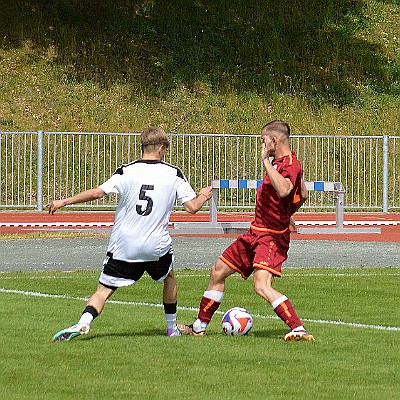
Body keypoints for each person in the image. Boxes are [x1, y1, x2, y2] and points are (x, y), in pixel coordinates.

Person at [49, 127, 213, 341]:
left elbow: (99, 193)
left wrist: (65, 201)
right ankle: (171, 328)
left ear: (143, 146)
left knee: (104, 289)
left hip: (125, 246)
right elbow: (192, 207)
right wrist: (203, 195)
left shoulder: (126, 170)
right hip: (155, 246)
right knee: (169, 277)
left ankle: (83, 323)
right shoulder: (172, 173)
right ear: (162, 148)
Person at [177, 120, 314, 341]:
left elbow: (285, 189)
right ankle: (199, 326)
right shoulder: (281, 162)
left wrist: (265, 162)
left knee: (261, 286)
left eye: (263, 140)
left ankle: (298, 328)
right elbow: (303, 195)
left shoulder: (289, 163)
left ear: (273, 140)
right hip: (255, 232)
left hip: (271, 237)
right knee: (217, 271)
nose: (262, 144)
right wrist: (289, 212)